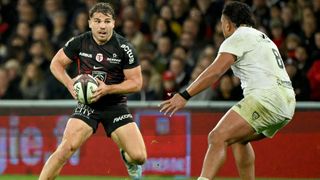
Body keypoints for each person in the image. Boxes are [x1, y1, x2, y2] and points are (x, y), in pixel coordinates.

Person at [159, 2, 296, 180]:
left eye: (222, 23)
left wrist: (185, 95)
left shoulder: (237, 37)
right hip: (287, 104)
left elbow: (215, 71)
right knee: (239, 139)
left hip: (266, 98)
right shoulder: (263, 38)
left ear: (228, 24)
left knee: (217, 136)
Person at [39, 3, 146, 180]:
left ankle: (128, 159)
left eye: (106, 21)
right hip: (88, 106)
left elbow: (136, 83)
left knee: (139, 157)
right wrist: (68, 83)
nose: (102, 26)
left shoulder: (124, 48)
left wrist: (108, 89)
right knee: (66, 148)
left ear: (113, 23)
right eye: (97, 21)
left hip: (115, 106)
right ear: (90, 23)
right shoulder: (80, 42)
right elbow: (56, 64)